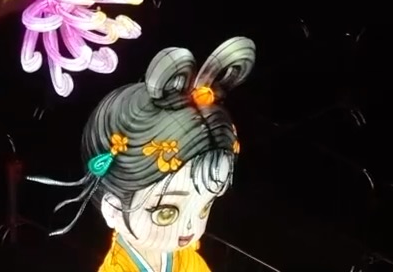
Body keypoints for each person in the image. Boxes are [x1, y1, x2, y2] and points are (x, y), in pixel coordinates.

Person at [30, 38, 256, 272]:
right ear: (113, 209)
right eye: (166, 213)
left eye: (204, 208)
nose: (191, 228)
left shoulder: (185, 258)